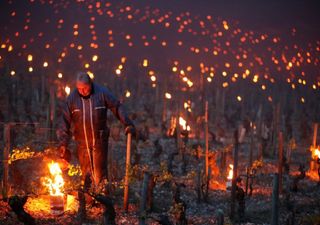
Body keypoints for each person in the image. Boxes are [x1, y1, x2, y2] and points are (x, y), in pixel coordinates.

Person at [56, 72, 135, 216]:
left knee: (100, 173)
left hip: (99, 140)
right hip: (82, 142)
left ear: (90, 84)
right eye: (79, 89)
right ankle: (87, 202)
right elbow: (64, 121)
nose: (82, 91)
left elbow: (117, 107)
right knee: (86, 174)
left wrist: (127, 123)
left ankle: (104, 203)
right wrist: (63, 143)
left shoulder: (102, 93)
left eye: (85, 88)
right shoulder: (72, 99)